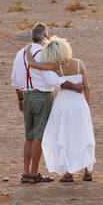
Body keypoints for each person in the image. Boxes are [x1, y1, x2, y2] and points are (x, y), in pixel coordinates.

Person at [10, 23, 84, 184]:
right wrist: (74, 86)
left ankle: (26, 172)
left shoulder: (20, 53)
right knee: (39, 136)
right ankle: (34, 173)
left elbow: (15, 81)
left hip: (27, 96)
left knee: (29, 136)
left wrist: (20, 99)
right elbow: (54, 81)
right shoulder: (44, 53)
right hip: (42, 96)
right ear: (45, 36)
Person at [24, 36, 95, 182]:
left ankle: (69, 173)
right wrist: (86, 105)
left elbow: (33, 64)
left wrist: (27, 51)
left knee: (66, 137)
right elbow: (86, 87)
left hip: (63, 105)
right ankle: (88, 171)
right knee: (84, 135)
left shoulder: (56, 67)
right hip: (79, 104)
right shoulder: (79, 63)